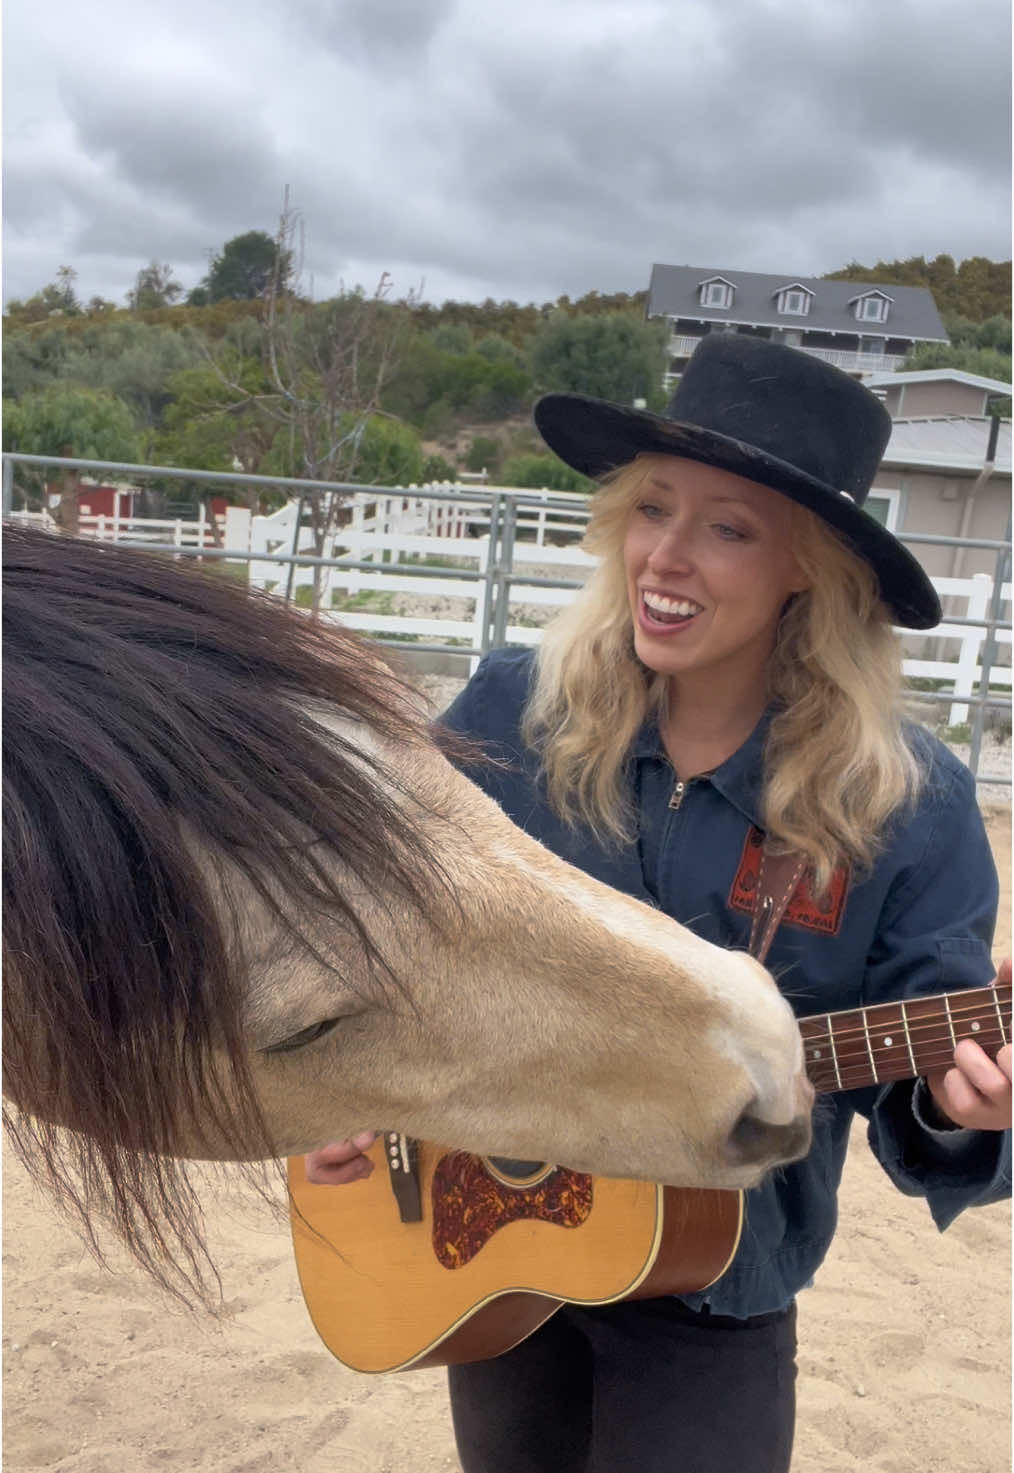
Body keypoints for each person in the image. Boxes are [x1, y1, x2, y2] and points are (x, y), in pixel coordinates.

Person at [305, 334, 1012, 1473]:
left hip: (716, 1292)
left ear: (809, 569)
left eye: (727, 527)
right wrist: (350, 1095)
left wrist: (967, 1108)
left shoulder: (907, 805)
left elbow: (926, 1096)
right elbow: (376, 933)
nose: (664, 558)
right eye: (652, 510)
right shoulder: (510, 713)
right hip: (488, 1244)